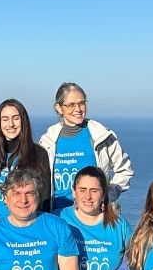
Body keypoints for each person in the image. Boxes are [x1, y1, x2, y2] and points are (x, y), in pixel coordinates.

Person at [38, 82, 134, 211]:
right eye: (71, 104)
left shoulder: (101, 135)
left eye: (81, 103)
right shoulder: (48, 140)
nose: (78, 109)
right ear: (59, 108)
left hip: (94, 217)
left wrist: (107, 196)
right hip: (57, 217)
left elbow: (125, 170)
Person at [0, 98, 52, 224]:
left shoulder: (38, 154)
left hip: (28, 231)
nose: (11, 124)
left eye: (16, 118)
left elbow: (44, 199)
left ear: (23, 121)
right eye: (5, 119)